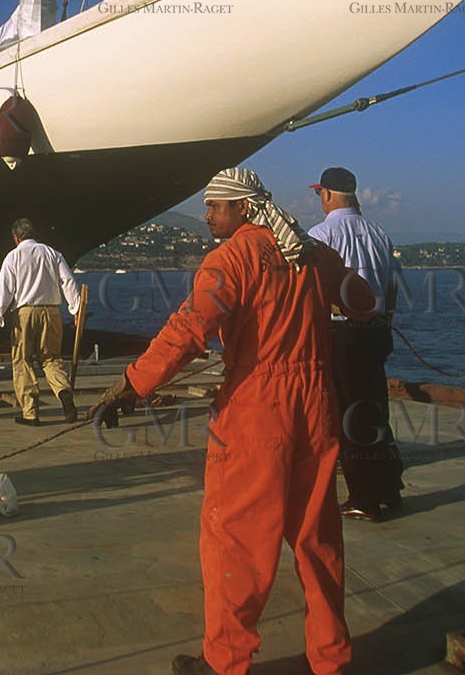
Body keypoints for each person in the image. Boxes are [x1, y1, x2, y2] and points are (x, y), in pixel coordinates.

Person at [90, 167, 374, 675]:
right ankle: (331, 659)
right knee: (318, 538)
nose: (206, 215)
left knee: (237, 540)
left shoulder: (231, 259)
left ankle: (226, 662)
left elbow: (188, 330)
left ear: (242, 208)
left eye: (214, 206)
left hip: (256, 409)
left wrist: (132, 385)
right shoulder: (308, 252)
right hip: (316, 406)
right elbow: (363, 304)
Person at [308, 166, 405, 522]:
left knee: (347, 416)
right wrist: (387, 321)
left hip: (343, 332)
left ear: (328, 195)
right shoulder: (379, 234)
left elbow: (314, 289)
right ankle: (389, 488)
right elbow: (392, 286)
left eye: (320, 193)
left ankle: (364, 497)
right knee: (375, 410)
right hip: (377, 331)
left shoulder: (320, 235)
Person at [0, 218, 79, 426]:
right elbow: (68, 281)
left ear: (16, 238)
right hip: (52, 311)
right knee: (51, 359)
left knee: (23, 361)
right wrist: (76, 309)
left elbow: (4, 291)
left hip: (25, 313)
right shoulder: (53, 254)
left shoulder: (13, 256)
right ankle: (64, 392)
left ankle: (30, 413)